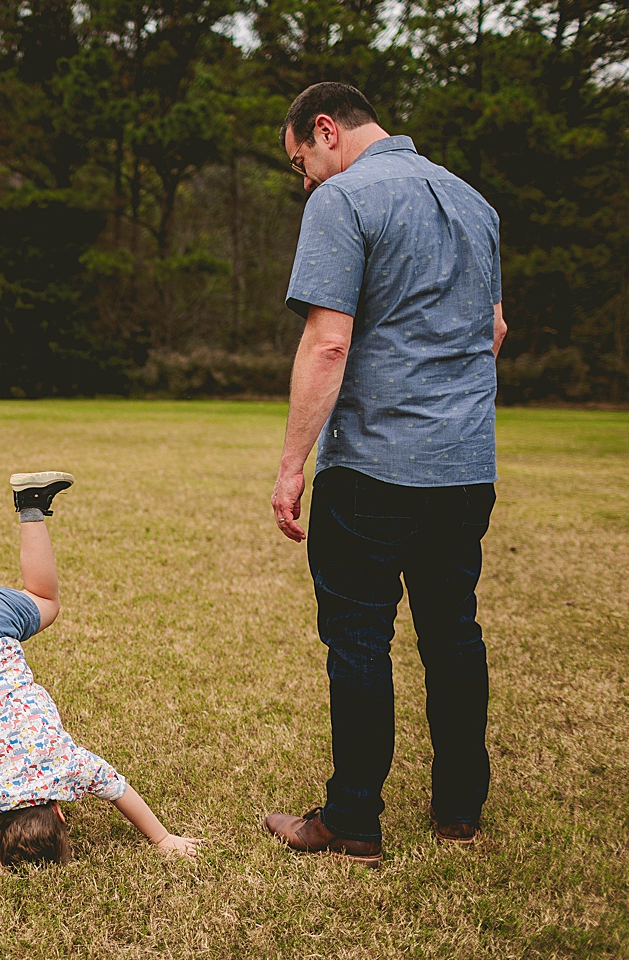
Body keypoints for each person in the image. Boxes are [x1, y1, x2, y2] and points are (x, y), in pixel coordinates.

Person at [264, 83, 506, 866]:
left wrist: (292, 463)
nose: (307, 180)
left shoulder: (342, 201)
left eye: (302, 161)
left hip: (373, 465)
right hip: (464, 467)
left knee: (360, 637)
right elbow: (494, 330)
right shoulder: (475, 202)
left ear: (325, 130)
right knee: (452, 630)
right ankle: (459, 810)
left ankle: (353, 821)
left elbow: (329, 343)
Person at [0, 419, 201, 869]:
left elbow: (121, 792)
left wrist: (163, 838)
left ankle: (31, 505)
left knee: (45, 602)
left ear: (60, 810)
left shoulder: (69, 766)